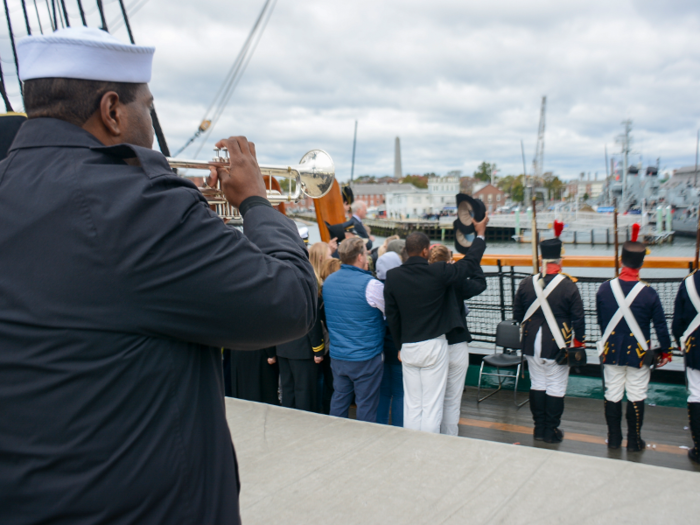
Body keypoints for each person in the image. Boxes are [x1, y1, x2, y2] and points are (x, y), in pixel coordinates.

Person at [0, 27, 317, 525]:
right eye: (148, 107)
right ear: (112, 110)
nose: (150, 120)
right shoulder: (137, 204)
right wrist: (257, 201)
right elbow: (291, 300)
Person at [384, 219, 487, 434]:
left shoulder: (393, 277)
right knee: (431, 406)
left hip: (408, 347)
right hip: (433, 347)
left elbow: (392, 317)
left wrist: (399, 346)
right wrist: (480, 235)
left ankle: (412, 447)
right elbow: (470, 263)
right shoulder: (439, 272)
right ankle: (429, 452)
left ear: (406, 251)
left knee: (413, 405)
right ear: (424, 251)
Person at [596, 224, 672, 451]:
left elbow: (601, 321)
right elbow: (660, 325)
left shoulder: (604, 289)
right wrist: (666, 350)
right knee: (637, 394)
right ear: (641, 264)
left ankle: (615, 439)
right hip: (640, 353)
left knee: (613, 393)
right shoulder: (649, 293)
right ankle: (634, 441)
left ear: (621, 261)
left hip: (611, 349)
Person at [513, 222, 585, 444]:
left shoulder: (526, 283)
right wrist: (578, 342)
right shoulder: (569, 285)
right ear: (559, 260)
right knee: (555, 386)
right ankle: (551, 431)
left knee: (537, 383)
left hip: (530, 341)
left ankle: (538, 428)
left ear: (542, 259)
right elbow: (579, 319)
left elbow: (517, 315)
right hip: (557, 344)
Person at [323, 237, 386, 422]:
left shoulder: (329, 282)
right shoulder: (372, 285)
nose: (367, 258)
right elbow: (389, 313)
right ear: (359, 257)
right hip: (365, 356)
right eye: (366, 254)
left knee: (339, 399)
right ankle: (363, 444)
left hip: (338, 355)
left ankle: (335, 437)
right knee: (366, 405)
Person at [428, 244, 487, 436]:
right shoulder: (457, 282)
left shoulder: (424, 279)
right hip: (457, 342)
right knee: (452, 399)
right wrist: (472, 264)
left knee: (434, 397)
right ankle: (450, 436)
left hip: (433, 341)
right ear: (449, 261)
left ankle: (432, 434)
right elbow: (480, 284)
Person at [672, 270, 700, 463]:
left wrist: (681, 343)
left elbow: (678, 323)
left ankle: (699, 448)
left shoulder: (688, 282)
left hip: (696, 348)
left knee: (697, 394)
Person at [376, 253, 404, 426]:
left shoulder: (374, 287)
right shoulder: (401, 288)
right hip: (399, 347)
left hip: (379, 348)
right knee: (400, 393)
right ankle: (399, 428)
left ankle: (380, 425)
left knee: (383, 392)